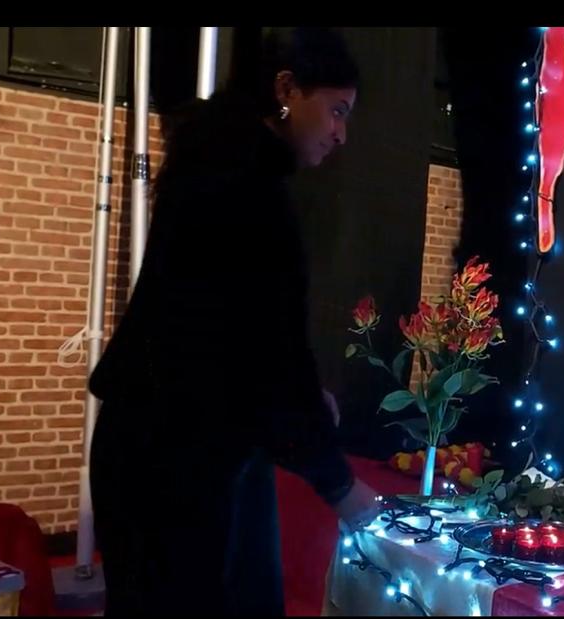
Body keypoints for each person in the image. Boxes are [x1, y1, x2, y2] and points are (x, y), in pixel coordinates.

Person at [88, 27, 379, 615]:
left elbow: (234, 338)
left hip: (155, 446)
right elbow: (263, 354)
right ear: (287, 90)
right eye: (337, 111)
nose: (341, 133)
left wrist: (303, 401)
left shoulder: (218, 163)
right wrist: (341, 486)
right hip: (174, 463)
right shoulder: (244, 188)